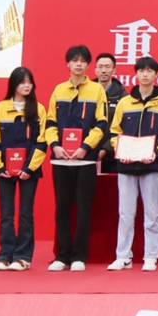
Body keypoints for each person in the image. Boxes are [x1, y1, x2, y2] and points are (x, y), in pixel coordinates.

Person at [108, 56, 158, 271]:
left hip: (151, 165)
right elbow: (114, 132)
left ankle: (150, 255)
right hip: (126, 165)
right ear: (136, 74)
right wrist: (120, 150)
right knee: (125, 213)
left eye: (149, 71)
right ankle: (123, 255)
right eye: (141, 71)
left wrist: (156, 153)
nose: (145, 74)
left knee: (152, 213)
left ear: (156, 75)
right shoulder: (124, 102)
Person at [45, 44, 108, 272]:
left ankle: (80, 256)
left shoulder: (96, 90)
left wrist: (85, 147)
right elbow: (50, 122)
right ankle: (62, 256)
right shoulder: (59, 90)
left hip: (85, 160)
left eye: (83, 61)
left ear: (88, 65)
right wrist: (55, 145)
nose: (79, 64)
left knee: (83, 209)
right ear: (68, 64)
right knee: (62, 209)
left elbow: (101, 124)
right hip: (60, 159)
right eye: (75, 60)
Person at [0, 67, 44, 270]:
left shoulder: (38, 109)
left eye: (29, 82)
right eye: (22, 82)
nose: (27, 86)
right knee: (6, 214)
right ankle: (4, 255)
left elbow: (41, 142)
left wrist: (29, 168)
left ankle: (22, 256)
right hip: (4, 170)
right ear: (13, 84)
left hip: (29, 171)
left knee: (26, 214)